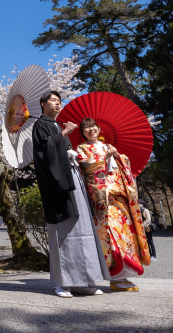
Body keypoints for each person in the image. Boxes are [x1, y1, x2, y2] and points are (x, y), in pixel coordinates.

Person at [32, 90, 109, 298]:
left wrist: (72, 153)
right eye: (53, 101)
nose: (58, 104)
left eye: (59, 101)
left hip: (72, 179)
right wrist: (64, 133)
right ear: (42, 104)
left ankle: (84, 281)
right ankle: (63, 283)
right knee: (64, 233)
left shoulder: (56, 126)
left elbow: (59, 148)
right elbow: (44, 153)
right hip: (58, 187)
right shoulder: (40, 125)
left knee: (82, 229)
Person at [74, 118, 150, 292]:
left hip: (119, 198)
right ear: (83, 133)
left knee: (125, 237)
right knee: (110, 237)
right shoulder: (82, 149)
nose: (91, 130)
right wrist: (103, 160)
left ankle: (121, 277)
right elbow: (86, 168)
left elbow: (125, 166)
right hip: (102, 200)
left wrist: (117, 156)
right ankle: (115, 277)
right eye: (86, 128)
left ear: (99, 128)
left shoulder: (109, 147)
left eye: (93, 126)